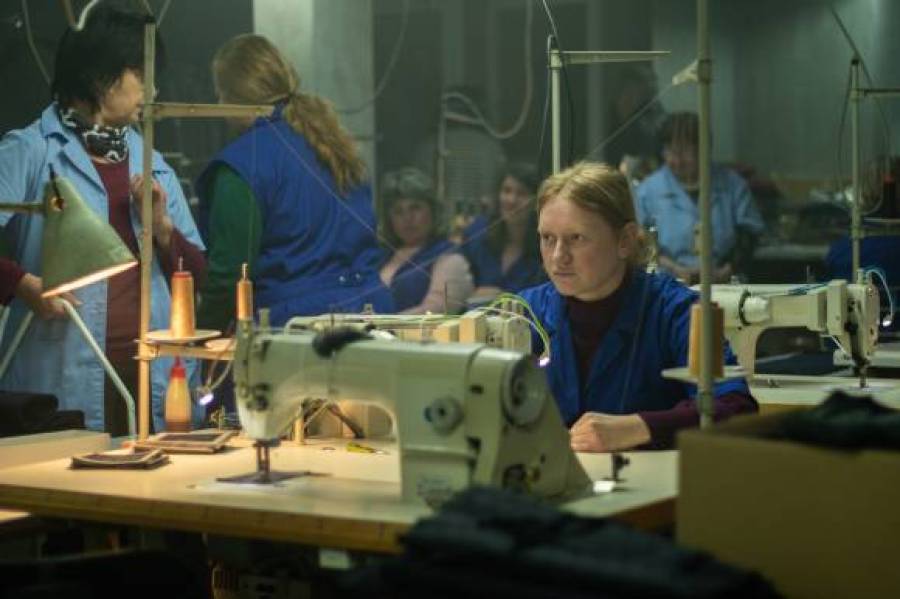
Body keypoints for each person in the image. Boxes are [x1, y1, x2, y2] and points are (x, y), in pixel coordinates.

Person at [0, 6, 206, 435]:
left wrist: (163, 229)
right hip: (60, 379)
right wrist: (24, 284)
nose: (153, 89)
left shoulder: (153, 162)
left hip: (151, 376)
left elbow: (198, 274)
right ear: (100, 77)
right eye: (141, 74)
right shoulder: (30, 152)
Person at [520, 162, 757, 451]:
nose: (558, 256)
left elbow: (736, 407)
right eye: (547, 238)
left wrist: (639, 427)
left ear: (625, 240)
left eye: (576, 238)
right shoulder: (526, 312)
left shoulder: (675, 311)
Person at [196, 34, 392, 333]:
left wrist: (199, 333)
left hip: (297, 329)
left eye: (220, 95)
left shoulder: (240, 165)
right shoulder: (337, 147)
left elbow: (229, 275)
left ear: (233, 96)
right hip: (375, 315)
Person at [635, 112, 764, 284]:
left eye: (685, 152)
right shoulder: (648, 190)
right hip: (668, 282)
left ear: (704, 149)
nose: (677, 160)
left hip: (726, 282)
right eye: (670, 151)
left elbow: (749, 237)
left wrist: (725, 271)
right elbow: (641, 244)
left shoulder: (733, 185)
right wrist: (675, 270)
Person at [378, 168, 473, 314]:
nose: (407, 218)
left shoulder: (450, 257)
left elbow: (435, 311)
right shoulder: (380, 256)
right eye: (398, 211)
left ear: (433, 210)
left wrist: (379, 324)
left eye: (415, 208)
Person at [463, 162, 546, 297]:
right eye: (507, 191)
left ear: (536, 202)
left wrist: (504, 296)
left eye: (522, 193)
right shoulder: (478, 232)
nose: (511, 200)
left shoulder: (545, 247)